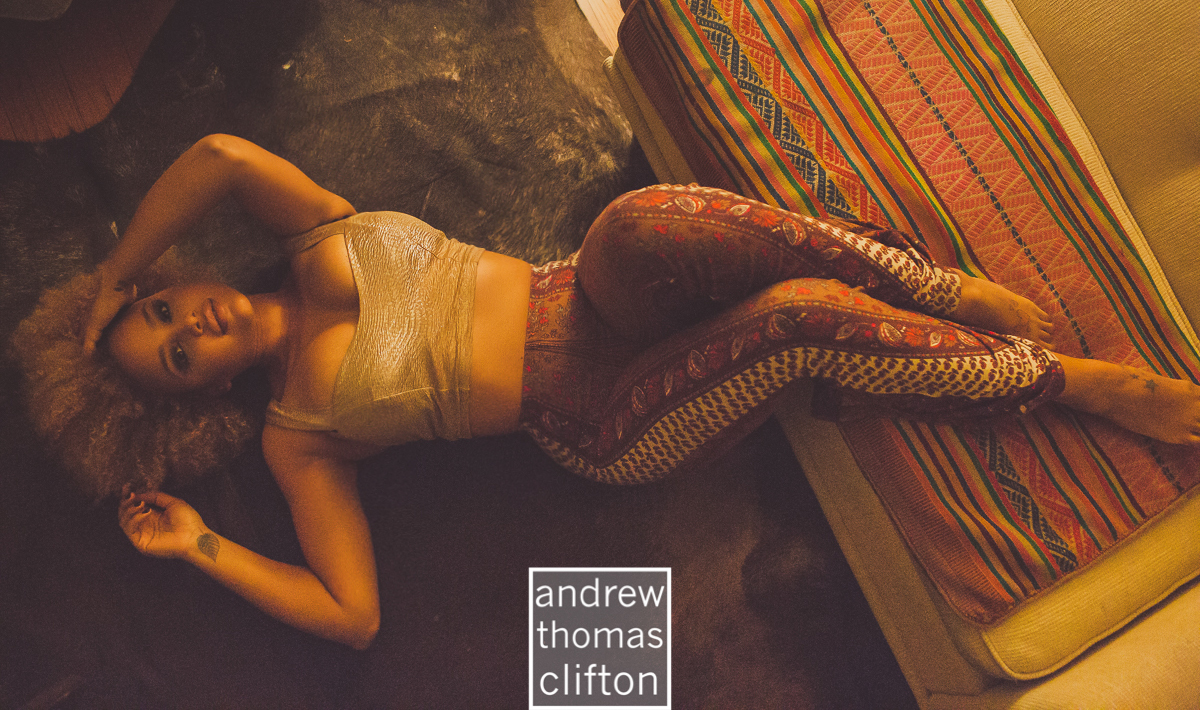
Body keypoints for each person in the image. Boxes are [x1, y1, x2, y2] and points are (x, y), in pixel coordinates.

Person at [13, 134, 1200, 650]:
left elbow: (219, 156)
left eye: (162, 311)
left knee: (636, 221)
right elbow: (354, 613)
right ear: (200, 395)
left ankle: (925, 286)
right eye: (176, 357)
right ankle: (1069, 384)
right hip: (603, 415)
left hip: (591, 293)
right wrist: (201, 544)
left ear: (170, 281)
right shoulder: (297, 435)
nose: (190, 327)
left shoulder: (314, 228)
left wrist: (108, 277)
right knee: (793, 318)